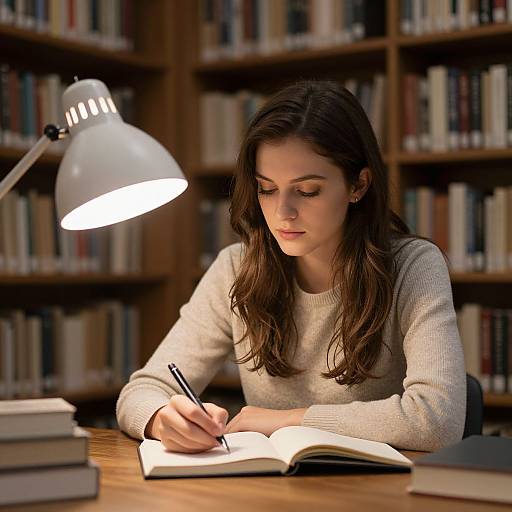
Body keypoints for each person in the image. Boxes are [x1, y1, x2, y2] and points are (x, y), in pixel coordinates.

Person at [116, 80, 466, 454]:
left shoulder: (413, 268)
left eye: (308, 190)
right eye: (266, 188)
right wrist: (161, 420)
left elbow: (438, 419)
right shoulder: (236, 269)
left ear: (358, 185)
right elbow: (141, 392)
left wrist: (288, 420)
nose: (282, 212)